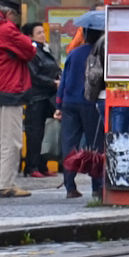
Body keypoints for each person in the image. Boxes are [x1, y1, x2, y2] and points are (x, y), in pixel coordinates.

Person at [0, 0, 35, 198]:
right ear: (10, 14)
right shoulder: (6, 29)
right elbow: (30, 50)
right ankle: (7, 184)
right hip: (8, 90)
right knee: (11, 140)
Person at [55, 28, 104, 199]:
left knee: (69, 144)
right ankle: (97, 186)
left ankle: (70, 186)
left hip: (69, 102)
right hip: (91, 103)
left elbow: (64, 80)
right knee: (95, 145)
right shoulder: (101, 52)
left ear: (84, 36)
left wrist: (58, 104)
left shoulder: (74, 53)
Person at [21, 21, 60, 178]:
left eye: (43, 32)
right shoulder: (32, 52)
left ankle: (42, 164)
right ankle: (32, 166)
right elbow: (34, 75)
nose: (43, 35)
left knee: (47, 132)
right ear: (30, 36)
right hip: (36, 97)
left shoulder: (45, 49)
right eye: (39, 33)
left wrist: (59, 78)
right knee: (35, 133)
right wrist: (53, 82)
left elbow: (54, 67)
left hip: (48, 96)